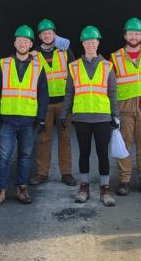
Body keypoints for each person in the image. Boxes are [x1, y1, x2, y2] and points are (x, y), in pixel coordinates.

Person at [0, 26, 49, 207]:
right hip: (8, 119)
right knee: (4, 157)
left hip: (28, 120)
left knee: (25, 156)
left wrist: (41, 118)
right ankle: (0, 190)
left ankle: (22, 188)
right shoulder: (4, 64)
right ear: (15, 43)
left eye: (26, 41)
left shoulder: (39, 66)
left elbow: (43, 94)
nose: (22, 43)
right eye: (19, 40)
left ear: (31, 44)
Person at [60, 25, 119, 207]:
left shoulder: (108, 66)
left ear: (98, 43)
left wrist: (115, 116)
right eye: (87, 42)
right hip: (82, 118)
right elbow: (69, 92)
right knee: (84, 153)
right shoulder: (74, 66)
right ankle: (84, 187)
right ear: (83, 44)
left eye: (93, 42)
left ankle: (105, 188)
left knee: (102, 153)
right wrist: (64, 113)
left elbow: (113, 93)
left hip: (102, 117)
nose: (90, 45)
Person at [110, 17, 141, 196]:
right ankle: (124, 181)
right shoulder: (115, 57)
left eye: (136, 33)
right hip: (125, 106)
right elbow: (111, 85)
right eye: (130, 33)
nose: (133, 36)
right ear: (125, 36)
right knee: (125, 143)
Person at [31, 18, 76, 186]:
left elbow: (74, 74)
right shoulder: (33, 55)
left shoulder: (64, 51)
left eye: (50, 33)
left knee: (65, 138)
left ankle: (66, 173)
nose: (47, 35)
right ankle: (42, 173)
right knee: (43, 139)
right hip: (43, 104)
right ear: (40, 36)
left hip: (63, 103)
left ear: (55, 34)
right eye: (44, 33)